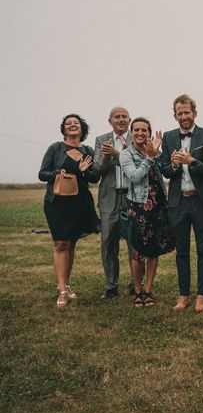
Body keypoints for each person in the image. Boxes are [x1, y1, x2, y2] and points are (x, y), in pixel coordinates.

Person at [159, 94, 203, 312]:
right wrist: (173, 165)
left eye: (187, 112)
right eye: (179, 113)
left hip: (201, 201)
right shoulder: (168, 137)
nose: (184, 116)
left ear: (194, 113)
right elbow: (164, 169)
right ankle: (184, 296)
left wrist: (192, 161)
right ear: (175, 115)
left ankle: (202, 295)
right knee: (181, 250)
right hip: (178, 203)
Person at [38, 114, 100, 307]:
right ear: (64, 129)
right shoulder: (55, 149)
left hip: (80, 203)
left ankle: (65, 284)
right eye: (68, 124)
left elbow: (93, 179)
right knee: (60, 244)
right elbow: (42, 174)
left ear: (82, 129)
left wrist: (83, 171)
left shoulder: (88, 150)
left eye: (76, 123)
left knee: (71, 245)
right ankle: (62, 290)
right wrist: (59, 172)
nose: (72, 125)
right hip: (57, 203)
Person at [120, 118, 175, 307]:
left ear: (149, 132)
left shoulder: (155, 152)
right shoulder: (126, 154)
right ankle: (137, 291)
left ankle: (149, 290)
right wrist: (149, 157)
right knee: (137, 252)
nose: (140, 133)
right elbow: (135, 178)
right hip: (138, 207)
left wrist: (162, 156)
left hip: (158, 206)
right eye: (137, 130)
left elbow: (165, 173)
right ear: (132, 131)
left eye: (144, 130)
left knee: (154, 249)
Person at [93, 106, 137, 299]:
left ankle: (136, 284)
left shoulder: (136, 137)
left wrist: (118, 154)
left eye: (124, 117)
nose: (120, 120)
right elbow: (95, 171)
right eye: (116, 117)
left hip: (132, 196)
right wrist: (106, 155)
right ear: (109, 121)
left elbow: (139, 164)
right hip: (109, 197)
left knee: (134, 241)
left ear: (129, 120)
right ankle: (111, 285)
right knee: (108, 241)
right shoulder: (101, 140)